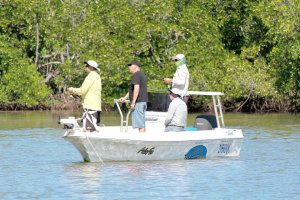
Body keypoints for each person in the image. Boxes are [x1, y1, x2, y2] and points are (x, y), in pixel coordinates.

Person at [68, 60, 102, 132]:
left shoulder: (90, 76)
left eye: (87, 66)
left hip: (90, 107)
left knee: (89, 131)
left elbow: (82, 91)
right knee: (94, 129)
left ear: (91, 67)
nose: (85, 67)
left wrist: (72, 90)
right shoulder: (97, 76)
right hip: (97, 107)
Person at [120, 60, 148, 132]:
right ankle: (143, 138)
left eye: (130, 65)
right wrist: (125, 98)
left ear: (135, 66)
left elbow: (136, 88)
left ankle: (141, 140)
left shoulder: (136, 75)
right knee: (142, 123)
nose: (129, 67)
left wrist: (133, 102)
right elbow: (132, 90)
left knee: (140, 125)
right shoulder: (142, 74)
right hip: (143, 102)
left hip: (138, 102)